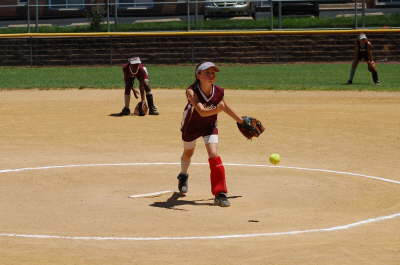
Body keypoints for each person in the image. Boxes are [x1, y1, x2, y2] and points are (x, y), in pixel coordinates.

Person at [177, 62, 245, 207]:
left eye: (213, 72)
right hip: (191, 126)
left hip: (209, 126)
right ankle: (183, 175)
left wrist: (241, 121)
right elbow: (201, 111)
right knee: (188, 153)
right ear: (198, 75)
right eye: (207, 72)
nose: (211, 74)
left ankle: (220, 193)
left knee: (213, 154)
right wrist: (218, 109)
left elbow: (224, 107)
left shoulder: (219, 91)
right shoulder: (191, 91)